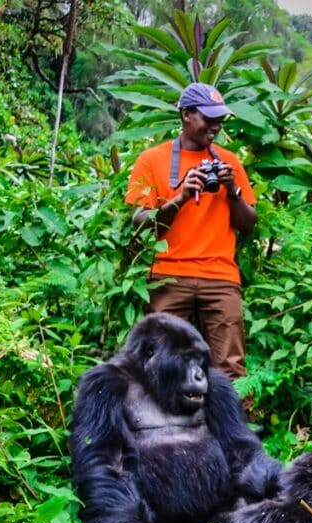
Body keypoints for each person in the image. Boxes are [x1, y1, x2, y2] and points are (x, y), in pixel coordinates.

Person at [125, 82, 257, 381]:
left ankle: (233, 427)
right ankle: (156, 427)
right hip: (169, 274)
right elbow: (141, 223)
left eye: (219, 119)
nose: (215, 126)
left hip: (221, 276)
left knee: (231, 366)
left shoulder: (230, 161)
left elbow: (249, 223)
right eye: (208, 118)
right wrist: (180, 198)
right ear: (186, 114)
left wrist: (232, 190)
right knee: (159, 360)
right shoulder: (151, 159)